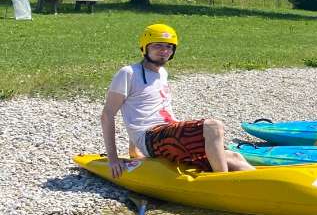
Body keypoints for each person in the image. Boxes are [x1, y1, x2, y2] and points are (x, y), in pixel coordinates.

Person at [101, 23, 253, 176]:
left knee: (234, 157)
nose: (164, 51)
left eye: (169, 47)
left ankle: (264, 189)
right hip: (151, 138)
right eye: (157, 46)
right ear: (145, 47)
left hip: (167, 133)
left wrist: (133, 150)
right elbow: (107, 115)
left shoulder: (163, 73)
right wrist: (113, 160)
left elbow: (140, 109)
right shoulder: (128, 73)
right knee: (213, 126)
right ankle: (222, 183)